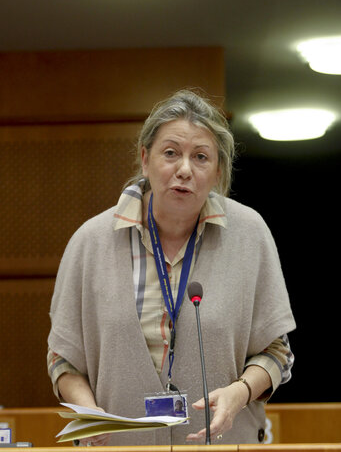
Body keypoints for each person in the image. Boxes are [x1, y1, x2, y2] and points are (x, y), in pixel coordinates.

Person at [47, 89, 296, 446]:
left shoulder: (250, 235)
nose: (184, 169)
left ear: (217, 171)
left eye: (200, 157)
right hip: (119, 448)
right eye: (170, 153)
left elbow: (277, 351)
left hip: (223, 444)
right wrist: (90, 415)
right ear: (145, 158)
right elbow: (62, 358)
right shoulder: (90, 242)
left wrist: (240, 393)